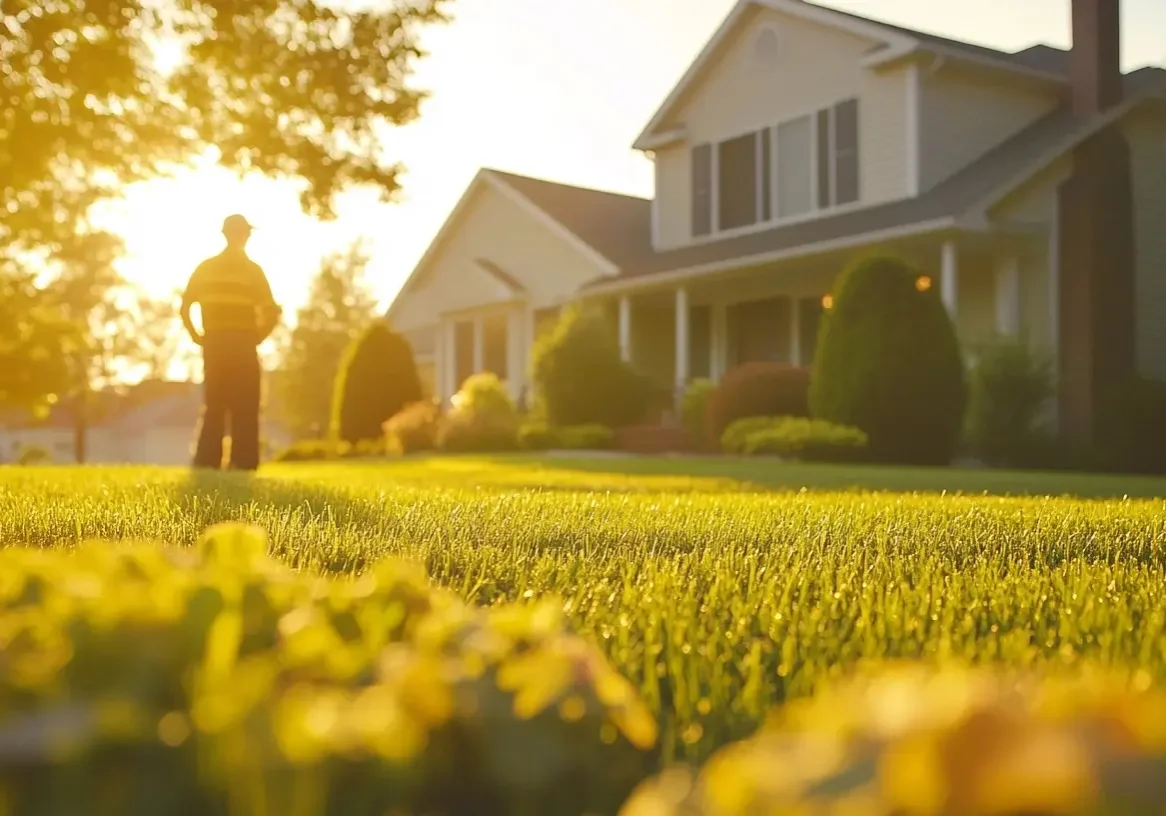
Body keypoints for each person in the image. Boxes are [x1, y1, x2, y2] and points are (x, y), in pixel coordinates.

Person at [180, 214, 282, 470]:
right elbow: (271, 311)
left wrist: (196, 335)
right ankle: (243, 462)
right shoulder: (252, 271)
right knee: (245, 404)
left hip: (214, 343)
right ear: (244, 235)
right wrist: (258, 337)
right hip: (242, 343)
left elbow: (185, 306)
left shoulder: (206, 268)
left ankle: (207, 463)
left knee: (214, 404)